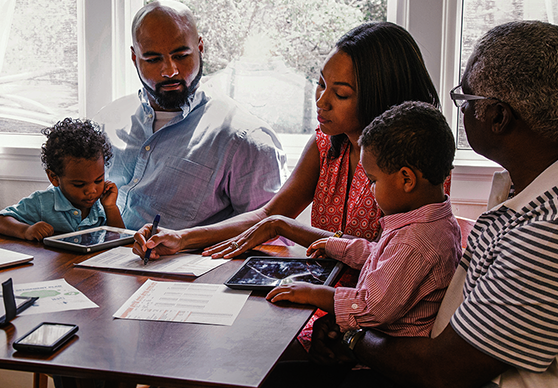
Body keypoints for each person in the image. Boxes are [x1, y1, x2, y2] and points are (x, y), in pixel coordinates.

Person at [311, 20, 558, 388]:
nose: (459, 109)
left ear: (498, 117)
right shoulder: (520, 192)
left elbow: (441, 371)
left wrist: (349, 338)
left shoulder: (544, 232)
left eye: (466, 100)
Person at [133, 21, 441, 261]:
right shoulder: (325, 145)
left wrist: (284, 227)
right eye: (321, 83)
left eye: (341, 93)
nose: (321, 101)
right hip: (317, 294)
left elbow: (389, 258)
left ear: (379, 96)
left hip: (369, 312)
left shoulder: (417, 163)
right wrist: (182, 238)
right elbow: (269, 214)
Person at [268, 101, 461, 341]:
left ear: (406, 180)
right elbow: (382, 255)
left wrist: (312, 293)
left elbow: (371, 307)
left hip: (385, 360)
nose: (369, 189)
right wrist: (336, 244)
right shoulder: (434, 221)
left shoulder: (413, 242)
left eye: (373, 180)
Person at [90, 0, 287, 231]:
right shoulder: (105, 123)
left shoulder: (245, 140)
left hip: (178, 266)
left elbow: (269, 240)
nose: (170, 71)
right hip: (93, 262)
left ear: (200, 48)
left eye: (181, 55)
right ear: (135, 59)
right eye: (153, 60)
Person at [0, 118, 124, 240]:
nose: (91, 190)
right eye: (79, 184)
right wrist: (26, 230)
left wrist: (111, 207)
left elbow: (120, 240)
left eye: (98, 180)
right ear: (54, 177)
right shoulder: (44, 202)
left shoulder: (102, 204)